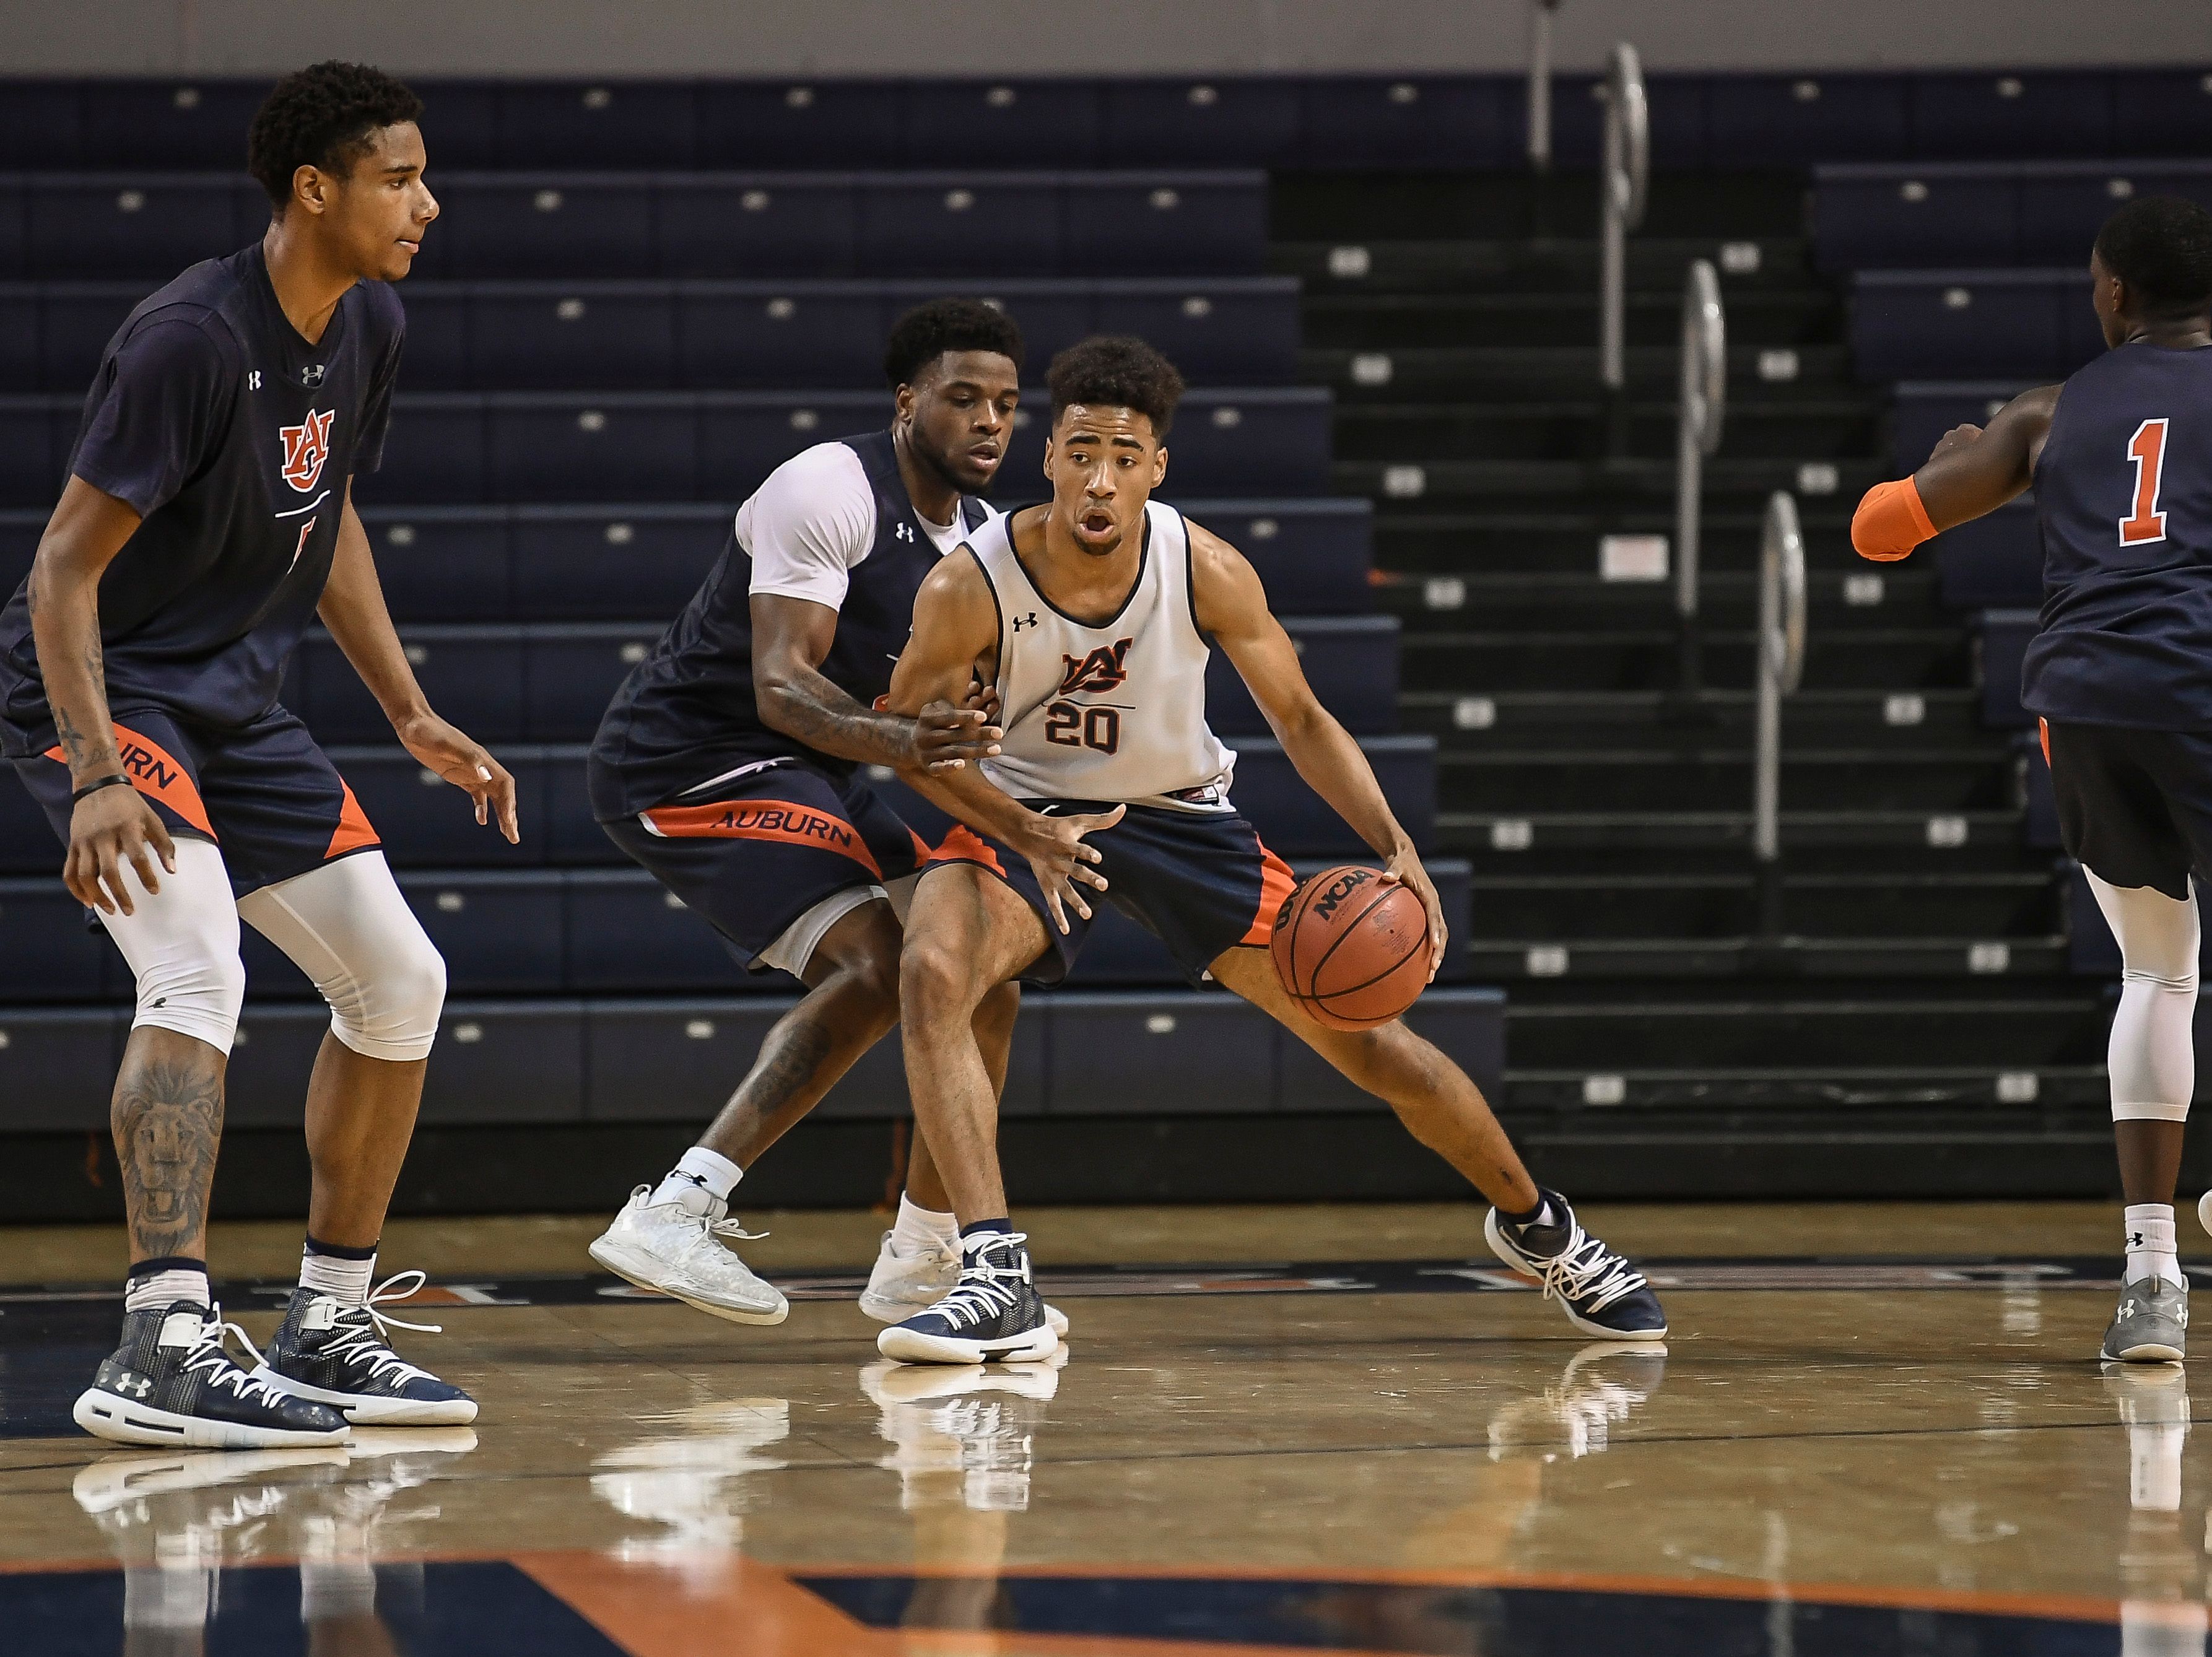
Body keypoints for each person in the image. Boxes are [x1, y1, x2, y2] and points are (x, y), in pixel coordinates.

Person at [872, 336, 1667, 1363]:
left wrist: (1393, 843)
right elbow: (904, 739)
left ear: (1157, 467)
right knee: (935, 969)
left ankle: (1541, 1230)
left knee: (1368, 1033)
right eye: (1080, 452)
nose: (1099, 476)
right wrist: (1024, 828)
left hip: (1178, 814)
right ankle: (996, 1272)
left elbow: (1299, 717)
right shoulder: (966, 586)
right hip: (1031, 816)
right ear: (1050, 457)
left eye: (1124, 454)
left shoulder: (1205, 566)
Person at [0, 62, 514, 1446]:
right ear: (315, 187)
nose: (427, 203)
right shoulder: (187, 338)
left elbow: (326, 503)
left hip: (234, 700)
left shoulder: (368, 323)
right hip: (114, 691)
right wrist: (97, 770)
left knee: (403, 977)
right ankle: (160, 1334)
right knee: (196, 962)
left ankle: (327, 1319)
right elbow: (60, 574)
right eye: (400, 178)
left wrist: (405, 709)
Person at [585, 300, 1063, 1341]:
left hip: (823, 765)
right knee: (882, 961)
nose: (991, 423)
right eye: (965, 399)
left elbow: (945, 737)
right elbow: (781, 687)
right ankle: (679, 1206)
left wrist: (1029, 831)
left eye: (1009, 406)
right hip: (689, 757)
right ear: (907, 403)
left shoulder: (985, 542)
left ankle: (924, 1253)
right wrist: (910, 743)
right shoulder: (828, 486)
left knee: (979, 963)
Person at [1851, 195, 2212, 1363]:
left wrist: (1955, 459)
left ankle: (2152, 1277)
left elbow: (1878, 531)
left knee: (2159, 974)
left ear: (2114, 293)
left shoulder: (2051, 411)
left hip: (2089, 702)